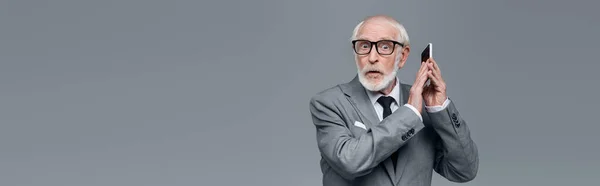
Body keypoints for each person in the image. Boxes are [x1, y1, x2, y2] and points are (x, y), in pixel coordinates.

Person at [308, 15, 479, 186]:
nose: (372, 57)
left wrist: (440, 109)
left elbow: (464, 171)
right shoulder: (328, 103)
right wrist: (410, 113)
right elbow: (349, 162)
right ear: (355, 54)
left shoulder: (424, 106)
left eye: (384, 47)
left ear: (402, 56)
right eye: (364, 46)